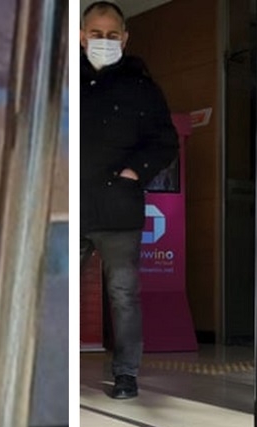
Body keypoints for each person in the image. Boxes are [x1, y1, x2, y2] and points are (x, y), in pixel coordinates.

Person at [80, 1, 178, 399]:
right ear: (82, 35)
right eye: (96, 34)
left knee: (123, 296)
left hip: (120, 209)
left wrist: (133, 172)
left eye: (112, 34)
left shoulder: (141, 87)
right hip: (71, 208)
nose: (104, 41)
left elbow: (165, 141)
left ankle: (126, 374)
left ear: (125, 37)